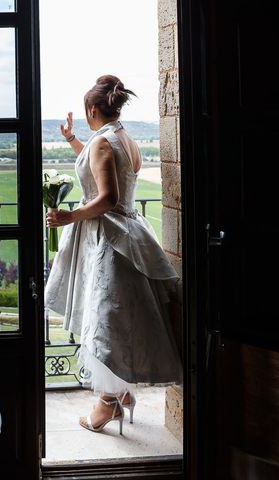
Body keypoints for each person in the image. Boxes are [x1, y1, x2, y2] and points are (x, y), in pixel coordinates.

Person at [44, 75, 182, 435]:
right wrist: (73, 140)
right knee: (117, 322)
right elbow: (99, 166)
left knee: (104, 326)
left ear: (92, 109)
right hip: (130, 235)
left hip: (109, 241)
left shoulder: (104, 143)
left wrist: (67, 216)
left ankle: (106, 404)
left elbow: (105, 198)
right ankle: (120, 397)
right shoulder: (123, 138)